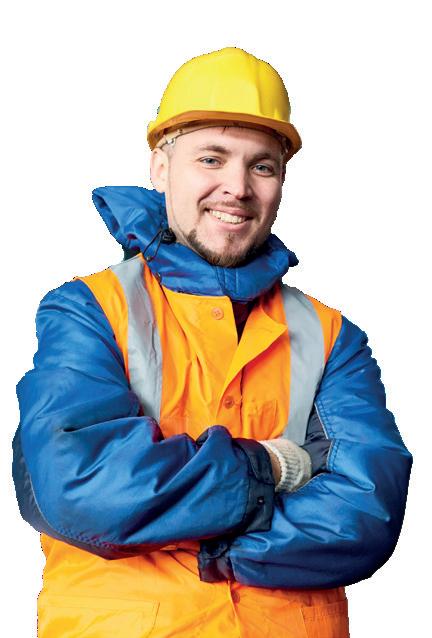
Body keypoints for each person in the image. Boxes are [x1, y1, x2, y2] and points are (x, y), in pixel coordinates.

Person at [12, 46, 413, 638]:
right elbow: (84, 486)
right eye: (211, 158)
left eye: (262, 166)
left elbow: (364, 515)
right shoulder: (90, 309)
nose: (237, 187)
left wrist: (200, 543)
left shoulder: (332, 337)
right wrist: (270, 466)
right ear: (160, 167)